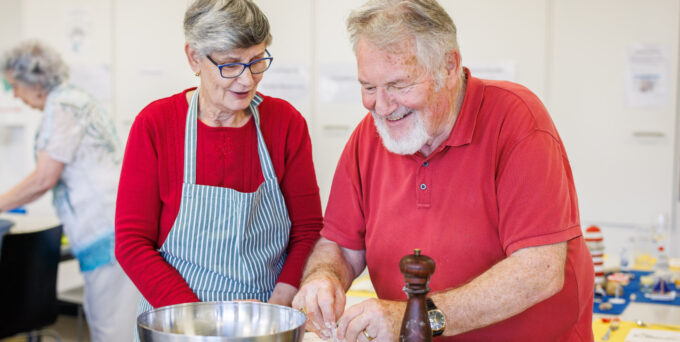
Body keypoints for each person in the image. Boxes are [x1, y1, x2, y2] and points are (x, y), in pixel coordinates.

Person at [291, 0, 594, 341]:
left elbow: (540, 269)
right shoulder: (368, 137)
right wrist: (323, 278)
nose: (382, 105)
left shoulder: (516, 120)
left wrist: (418, 318)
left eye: (399, 85)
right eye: (368, 87)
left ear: (449, 66)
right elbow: (342, 245)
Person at [115, 0, 323, 323]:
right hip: (178, 321)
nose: (247, 81)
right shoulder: (156, 125)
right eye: (230, 65)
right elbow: (131, 244)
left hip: (265, 316)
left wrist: (282, 296)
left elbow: (308, 229)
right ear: (194, 57)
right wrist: (198, 317)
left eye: (257, 62)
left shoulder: (285, 123)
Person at [0, 40, 139, 342]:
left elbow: (44, 178)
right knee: (115, 325)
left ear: (35, 81)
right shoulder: (75, 99)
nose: (15, 95)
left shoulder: (63, 106)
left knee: (112, 330)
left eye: (14, 86)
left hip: (105, 232)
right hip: (112, 229)